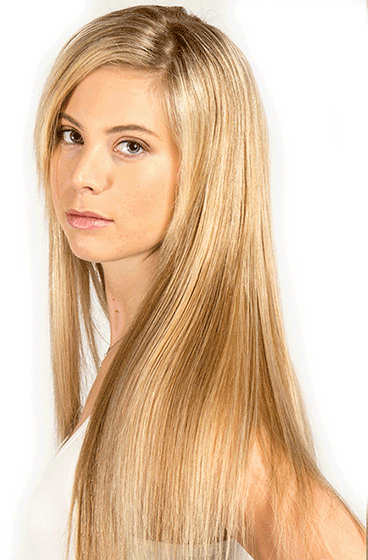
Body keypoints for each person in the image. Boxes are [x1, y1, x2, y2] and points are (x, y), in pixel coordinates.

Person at [28, 5, 365, 560]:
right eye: (71, 135)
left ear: (206, 172)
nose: (82, 175)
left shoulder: (197, 414)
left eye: (130, 145)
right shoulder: (129, 366)